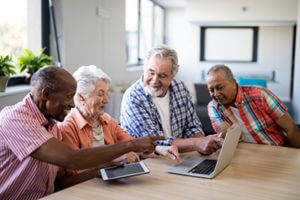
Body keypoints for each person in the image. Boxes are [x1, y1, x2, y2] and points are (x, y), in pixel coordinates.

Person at [0, 66, 163, 200]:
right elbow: (72, 158)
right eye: (69, 97)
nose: (72, 104)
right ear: (46, 94)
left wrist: (99, 169)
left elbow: (61, 183)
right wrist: (130, 145)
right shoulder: (15, 118)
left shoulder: (52, 127)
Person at [59, 65, 180, 175]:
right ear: (81, 97)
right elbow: (74, 172)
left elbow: (133, 144)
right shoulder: (68, 127)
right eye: (101, 94)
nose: (106, 100)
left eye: (107, 94)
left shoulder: (107, 120)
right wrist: (110, 161)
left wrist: (159, 149)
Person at [120, 45, 223, 154]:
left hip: (177, 157)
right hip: (147, 161)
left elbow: (192, 127)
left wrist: (204, 144)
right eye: (151, 72)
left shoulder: (180, 88)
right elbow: (153, 142)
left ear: (172, 76)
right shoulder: (133, 97)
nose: (155, 80)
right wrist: (197, 143)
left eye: (162, 75)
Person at [206, 64, 300, 147]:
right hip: (245, 155)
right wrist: (227, 133)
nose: (216, 94)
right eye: (211, 90)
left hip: (276, 150)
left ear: (233, 83)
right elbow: (222, 130)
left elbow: (291, 128)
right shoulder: (213, 107)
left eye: (220, 88)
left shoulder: (261, 95)